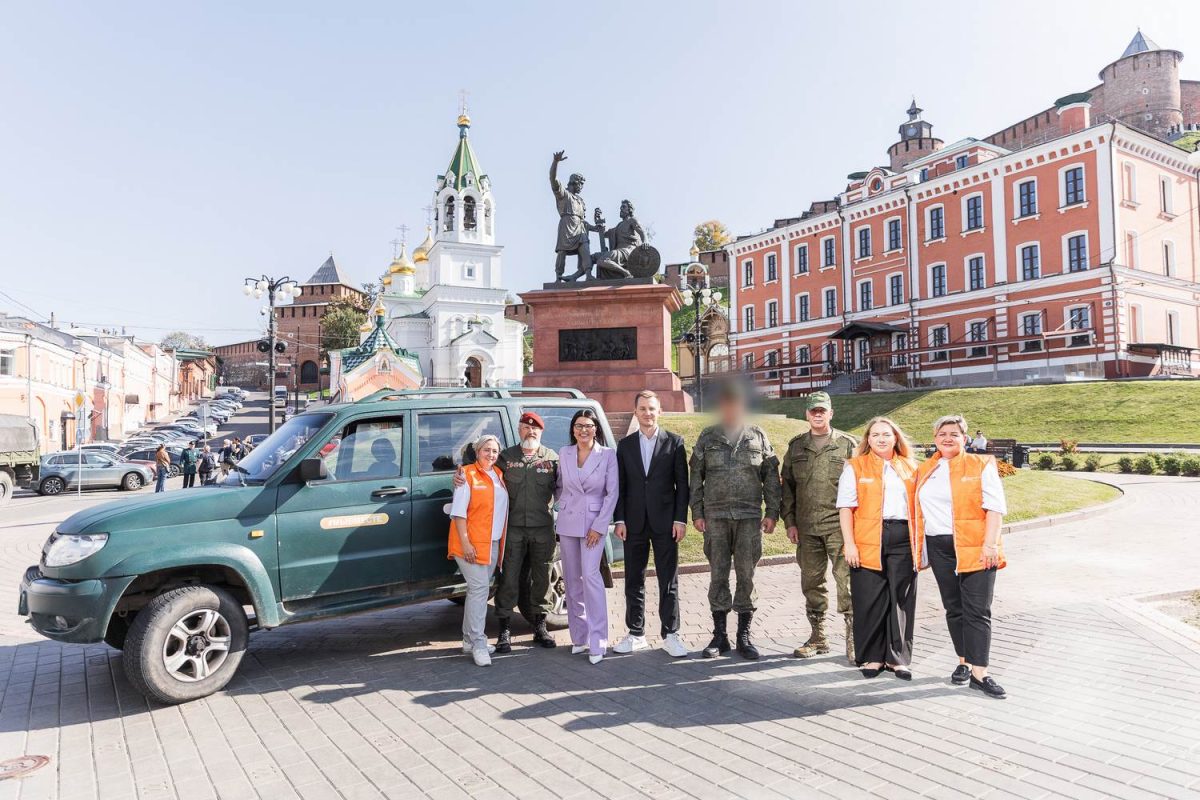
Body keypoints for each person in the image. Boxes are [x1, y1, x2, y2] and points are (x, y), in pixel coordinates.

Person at [913, 415, 1009, 699]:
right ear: (934, 438)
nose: (947, 438)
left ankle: (981, 672)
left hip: (976, 546)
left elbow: (995, 508)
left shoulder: (981, 465)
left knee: (977, 610)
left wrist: (990, 545)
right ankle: (963, 661)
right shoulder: (925, 469)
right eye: (942, 433)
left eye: (954, 434)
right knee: (954, 607)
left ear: (965, 439)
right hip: (940, 546)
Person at [689, 381, 781, 660]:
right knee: (718, 575)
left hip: (749, 518)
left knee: (746, 576)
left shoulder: (758, 436)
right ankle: (720, 636)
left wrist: (772, 514)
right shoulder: (708, 436)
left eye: (736, 403)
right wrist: (697, 512)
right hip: (715, 518)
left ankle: (744, 635)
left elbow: (772, 479)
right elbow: (696, 477)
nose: (731, 408)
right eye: (726, 403)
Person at [455, 412, 560, 653]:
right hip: (512, 529)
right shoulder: (505, 457)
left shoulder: (552, 459)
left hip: (542, 528)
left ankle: (540, 626)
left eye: (535, 429)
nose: (530, 432)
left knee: (542, 577)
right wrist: (459, 476)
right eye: (525, 428)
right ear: (519, 429)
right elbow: (482, 468)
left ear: (541, 433)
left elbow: (566, 488)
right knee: (508, 578)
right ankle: (504, 630)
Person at [837, 417, 918, 680]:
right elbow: (846, 508)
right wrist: (849, 543)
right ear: (867, 440)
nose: (881, 439)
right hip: (867, 537)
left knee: (900, 599)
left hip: (903, 537)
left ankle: (897, 659)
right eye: (875, 435)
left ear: (896, 438)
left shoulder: (910, 467)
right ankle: (872, 657)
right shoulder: (855, 466)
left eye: (886, 434)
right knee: (869, 599)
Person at [781, 391, 858, 662]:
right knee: (811, 583)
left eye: (822, 410)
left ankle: (854, 639)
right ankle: (818, 637)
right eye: (813, 410)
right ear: (806, 414)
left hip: (840, 527)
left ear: (830, 413)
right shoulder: (796, 447)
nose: (817, 414)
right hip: (806, 528)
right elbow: (787, 488)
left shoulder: (849, 446)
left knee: (846, 582)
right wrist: (789, 522)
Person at [613, 390, 690, 658]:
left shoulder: (675, 443)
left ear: (660, 412)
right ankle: (636, 634)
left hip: (666, 522)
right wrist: (619, 518)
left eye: (652, 408)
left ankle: (671, 634)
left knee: (668, 580)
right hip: (633, 523)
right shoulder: (625, 445)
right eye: (643, 408)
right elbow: (619, 486)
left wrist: (680, 519)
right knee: (634, 580)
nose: (647, 413)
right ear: (635, 412)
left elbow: (683, 486)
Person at [555, 409, 618, 664]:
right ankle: (579, 637)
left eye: (589, 426)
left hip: (594, 523)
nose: (584, 430)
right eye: (579, 425)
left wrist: (599, 525)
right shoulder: (564, 453)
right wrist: (562, 506)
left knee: (591, 577)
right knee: (571, 580)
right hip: (569, 521)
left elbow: (612, 493)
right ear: (573, 429)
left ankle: (598, 640)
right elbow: (559, 485)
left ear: (596, 429)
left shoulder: (607, 455)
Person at [447, 434, 509, 667]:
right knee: (480, 589)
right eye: (487, 450)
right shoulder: (467, 475)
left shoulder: (499, 475)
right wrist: (466, 544)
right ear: (477, 451)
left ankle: (467, 640)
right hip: (470, 544)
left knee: (477, 592)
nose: (491, 455)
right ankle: (479, 643)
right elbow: (459, 512)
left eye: (494, 451)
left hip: (491, 543)